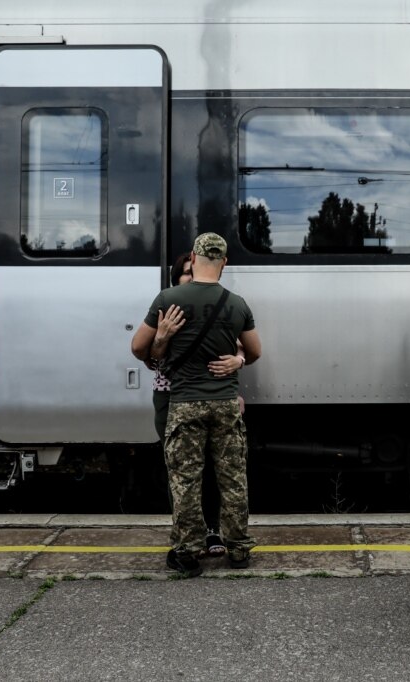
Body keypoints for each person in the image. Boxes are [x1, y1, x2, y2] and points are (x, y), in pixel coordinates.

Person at [133, 233, 262, 577]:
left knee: (185, 478)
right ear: (225, 262)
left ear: (193, 256)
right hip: (224, 403)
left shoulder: (168, 298)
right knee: (232, 478)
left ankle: (188, 552)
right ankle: (237, 549)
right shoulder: (237, 303)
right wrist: (238, 360)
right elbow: (255, 351)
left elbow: (137, 348)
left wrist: (161, 338)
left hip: (185, 402)